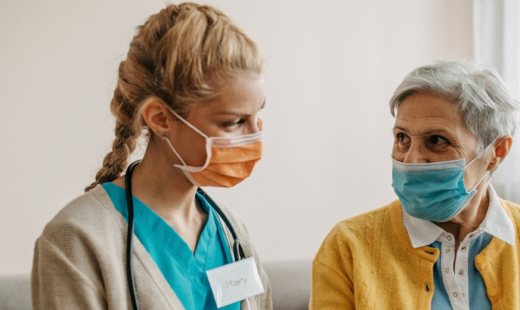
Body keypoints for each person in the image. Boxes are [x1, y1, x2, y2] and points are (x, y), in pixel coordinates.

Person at [31, 3, 272, 310]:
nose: (255, 136)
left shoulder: (233, 233)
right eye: (233, 122)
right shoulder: (76, 239)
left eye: (257, 115)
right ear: (160, 118)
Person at [311, 60, 520, 309]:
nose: (410, 159)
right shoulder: (348, 246)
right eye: (402, 138)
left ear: (496, 151)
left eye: (437, 140)